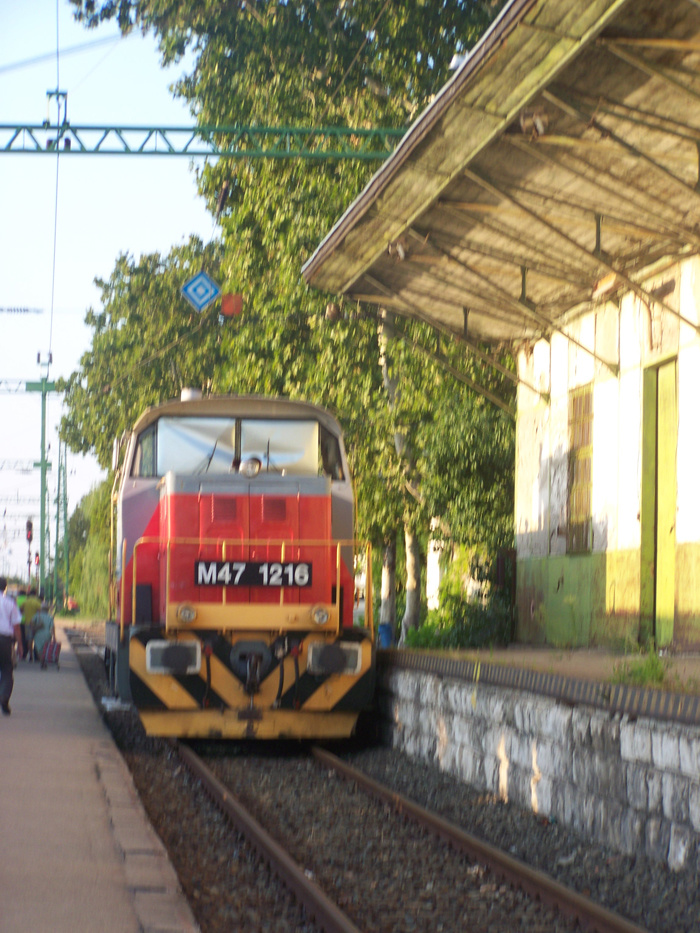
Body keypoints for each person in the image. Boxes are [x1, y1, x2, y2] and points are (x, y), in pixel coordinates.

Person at [0, 576, 23, 715]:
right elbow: (16, 626)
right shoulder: (9, 603)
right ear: (5, 587)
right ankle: (3, 697)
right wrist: (20, 645)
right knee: (7, 669)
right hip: (4, 640)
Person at [21, 587, 41, 661]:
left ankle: (31, 656)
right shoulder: (37, 601)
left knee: (29, 639)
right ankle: (37, 655)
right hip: (36, 624)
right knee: (36, 639)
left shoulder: (25, 602)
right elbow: (40, 612)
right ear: (35, 594)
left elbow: (20, 610)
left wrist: (25, 614)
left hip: (27, 623)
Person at [32, 601, 54, 665]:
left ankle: (41, 660)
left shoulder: (36, 615)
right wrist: (54, 636)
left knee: (38, 649)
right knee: (45, 648)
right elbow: (52, 627)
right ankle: (43, 659)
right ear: (47, 609)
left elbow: (31, 623)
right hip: (47, 634)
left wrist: (34, 628)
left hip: (38, 634)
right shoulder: (50, 617)